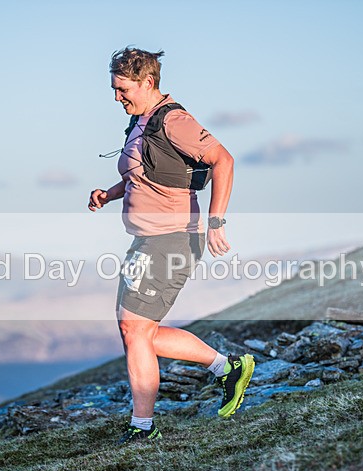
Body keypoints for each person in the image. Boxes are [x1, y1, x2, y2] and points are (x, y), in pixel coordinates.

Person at [88, 47, 254, 444]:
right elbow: (143, 175)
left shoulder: (173, 120)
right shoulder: (140, 120)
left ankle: (142, 427)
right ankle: (228, 368)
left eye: (122, 88)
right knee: (140, 331)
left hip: (173, 238)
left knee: (134, 328)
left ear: (147, 82)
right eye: (113, 89)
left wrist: (216, 221)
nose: (117, 97)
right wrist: (109, 195)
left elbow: (223, 160)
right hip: (149, 238)